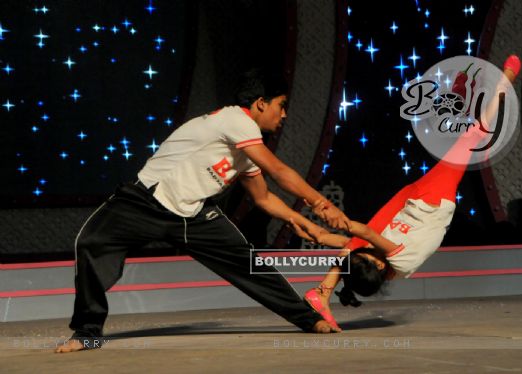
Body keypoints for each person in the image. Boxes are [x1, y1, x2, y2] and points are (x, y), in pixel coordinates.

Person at [55, 71, 350, 353]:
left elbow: (263, 197)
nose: (283, 114)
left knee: (249, 265)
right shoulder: (236, 119)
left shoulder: (247, 145)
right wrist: (321, 204)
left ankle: (309, 319)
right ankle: (87, 333)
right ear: (261, 102)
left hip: (193, 215)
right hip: (145, 203)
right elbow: (278, 171)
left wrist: (301, 222)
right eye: (281, 106)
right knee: (91, 243)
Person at [293, 56, 522, 330]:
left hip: (409, 204)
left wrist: (316, 232)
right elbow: (364, 233)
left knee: (348, 250)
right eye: (368, 258)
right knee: (472, 136)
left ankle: (321, 293)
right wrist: (326, 210)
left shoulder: (375, 264)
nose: (366, 254)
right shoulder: (401, 261)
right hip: (433, 204)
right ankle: (504, 83)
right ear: (379, 268)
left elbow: (353, 245)